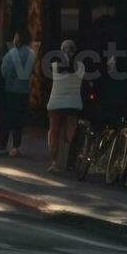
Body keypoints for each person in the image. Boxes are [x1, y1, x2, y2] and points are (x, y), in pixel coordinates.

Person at [46, 39, 83, 173]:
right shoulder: (81, 67)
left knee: (54, 132)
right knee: (70, 136)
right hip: (74, 105)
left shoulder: (54, 66)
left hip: (55, 104)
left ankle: (54, 163)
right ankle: (70, 162)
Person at [0, 31, 33, 157]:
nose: (14, 39)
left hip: (10, 91)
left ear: (18, 39)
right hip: (23, 91)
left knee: (6, 120)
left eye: (15, 36)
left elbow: (4, 71)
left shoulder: (10, 54)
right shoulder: (31, 53)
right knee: (18, 121)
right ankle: (15, 147)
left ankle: (2, 146)